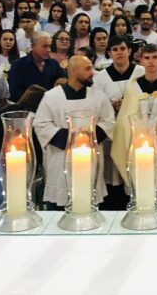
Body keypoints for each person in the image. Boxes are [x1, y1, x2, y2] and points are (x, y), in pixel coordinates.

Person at [33, 55, 116, 210]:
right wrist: (70, 138)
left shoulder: (98, 96)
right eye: (87, 69)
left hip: (91, 158)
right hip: (62, 159)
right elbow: (41, 124)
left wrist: (88, 136)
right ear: (72, 72)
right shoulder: (52, 96)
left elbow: (109, 121)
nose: (92, 72)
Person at [0, 86, 46, 214]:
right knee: (1, 198)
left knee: (12, 198)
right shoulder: (15, 114)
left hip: (4, 156)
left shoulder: (20, 113)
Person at [110, 44, 157, 194]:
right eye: (147, 58)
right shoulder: (133, 87)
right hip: (138, 142)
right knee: (140, 186)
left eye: (155, 57)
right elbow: (125, 117)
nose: (151, 62)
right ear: (141, 61)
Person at [8, 31, 66, 101]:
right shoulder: (18, 66)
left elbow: (63, 85)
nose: (48, 50)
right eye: (44, 46)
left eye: (49, 46)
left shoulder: (54, 64)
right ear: (33, 46)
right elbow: (15, 93)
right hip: (27, 108)